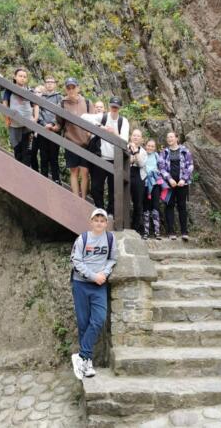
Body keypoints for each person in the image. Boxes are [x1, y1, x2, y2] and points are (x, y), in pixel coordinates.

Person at [70, 208, 117, 380]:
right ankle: (87, 362)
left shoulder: (110, 239)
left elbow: (113, 259)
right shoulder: (83, 239)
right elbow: (75, 261)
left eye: (102, 220)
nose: (99, 223)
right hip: (81, 284)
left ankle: (81, 356)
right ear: (91, 222)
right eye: (96, 220)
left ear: (106, 223)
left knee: (98, 320)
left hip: (99, 286)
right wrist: (93, 276)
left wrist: (104, 273)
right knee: (83, 324)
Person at [82, 96, 129, 216]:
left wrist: (114, 133)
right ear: (109, 106)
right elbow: (84, 117)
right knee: (96, 187)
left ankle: (111, 212)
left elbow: (124, 141)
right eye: (113, 106)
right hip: (100, 157)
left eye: (116, 107)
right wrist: (101, 127)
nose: (114, 109)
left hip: (115, 160)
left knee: (114, 188)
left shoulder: (123, 121)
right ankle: (100, 209)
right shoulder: (103, 116)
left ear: (120, 108)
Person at [54, 78, 94, 199]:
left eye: (73, 87)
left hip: (86, 142)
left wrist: (89, 134)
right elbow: (59, 123)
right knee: (74, 171)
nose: (71, 90)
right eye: (68, 88)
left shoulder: (87, 102)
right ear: (66, 89)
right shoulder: (62, 104)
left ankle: (83, 199)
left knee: (85, 172)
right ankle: (76, 198)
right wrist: (53, 128)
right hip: (71, 142)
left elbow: (94, 122)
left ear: (78, 88)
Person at [158, 131, 194, 241]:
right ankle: (171, 232)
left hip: (182, 184)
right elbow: (161, 167)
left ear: (176, 138)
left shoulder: (184, 151)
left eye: (172, 137)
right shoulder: (164, 152)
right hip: (169, 185)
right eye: (168, 137)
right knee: (169, 206)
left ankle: (184, 232)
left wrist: (184, 179)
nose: (169, 139)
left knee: (182, 206)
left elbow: (190, 165)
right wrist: (169, 178)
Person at [2, 68, 36, 166]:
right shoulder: (9, 89)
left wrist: (35, 118)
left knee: (27, 149)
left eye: (24, 77)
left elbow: (35, 104)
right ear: (15, 77)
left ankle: (25, 170)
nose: (22, 78)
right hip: (14, 122)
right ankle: (18, 168)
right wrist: (7, 118)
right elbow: (5, 103)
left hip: (27, 123)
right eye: (20, 76)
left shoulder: (30, 90)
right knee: (17, 147)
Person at [37, 77, 63, 183]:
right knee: (43, 155)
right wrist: (44, 124)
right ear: (44, 84)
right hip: (43, 129)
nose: (49, 84)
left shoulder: (59, 97)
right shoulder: (40, 97)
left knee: (54, 156)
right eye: (47, 82)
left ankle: (56, 178)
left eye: (52, 82)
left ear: (55, 84)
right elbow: (37, 111)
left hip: (55, 129)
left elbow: (60, 112)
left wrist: (52, 123)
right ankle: (43, 177)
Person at [128, 129, 147, 235]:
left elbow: (140, 164)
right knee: (124, 200)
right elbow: (127, 161)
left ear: (141, 139)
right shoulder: (125, 147)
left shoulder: (143, 151)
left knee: (138, 203)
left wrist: (135, 152)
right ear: (131, 137)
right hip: (126, 173)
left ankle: (135, 227)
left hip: (139, 175)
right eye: (134, 135)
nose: (135, 137)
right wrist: (133, 158)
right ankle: (124, 225)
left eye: (138, 136)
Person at [143, 139, 162, 240]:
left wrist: (157, 173)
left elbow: (161, 168)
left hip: (155, 184)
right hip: (145, 184)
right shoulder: (142, 154)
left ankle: (157, 231)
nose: (150, 147)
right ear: (145, 146)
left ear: (155, 148)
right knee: (146, 207)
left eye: (152, 146)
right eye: (148, 146)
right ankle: (146, 231)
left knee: (155, 207)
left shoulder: (157, 156)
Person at [30, 85, 45, 172]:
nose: (36, 94)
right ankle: (35, 171)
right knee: (32, 152)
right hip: (31, 130)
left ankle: (43, 174)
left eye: (39, 92)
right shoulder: (31, 102)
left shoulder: (45, 104)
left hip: (42, 130)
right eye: (35, 92)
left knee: (43, 154)